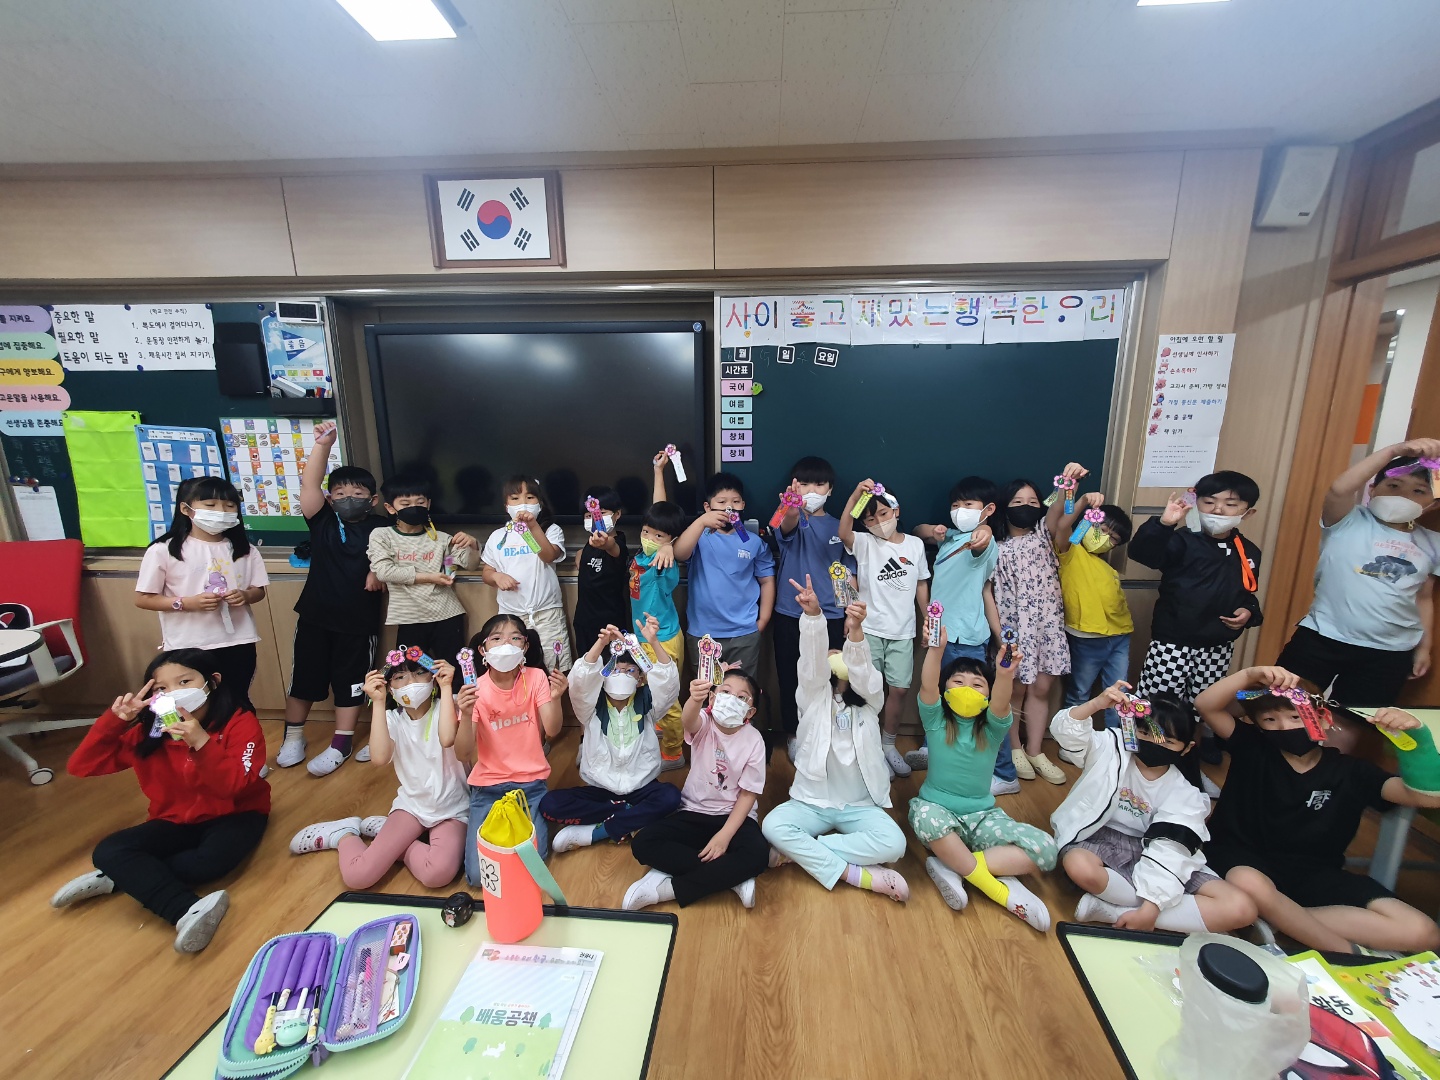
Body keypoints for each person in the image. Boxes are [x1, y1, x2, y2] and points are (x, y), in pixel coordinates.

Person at [1195, 665, 1440, 954]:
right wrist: (1250, 676)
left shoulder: (1352, 772)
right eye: (1270, 720)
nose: (1284, 727)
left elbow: (1427, 798)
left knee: (1423, 932)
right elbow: (1206, 705)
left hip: (1315, 873)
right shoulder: (1253, 748)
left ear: (1323, 718)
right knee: (1250, 884)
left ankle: (1278, 921)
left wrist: (1417, 742)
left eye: (1296, 716)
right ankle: (1345, 953)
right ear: (1258, 725)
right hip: (1242, 859)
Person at [53, 649, 269, 953]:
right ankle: (184, 908)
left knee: (205, 865)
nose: (174, 692)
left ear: (212, 682)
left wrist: (201, 743)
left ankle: (125, 875)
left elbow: (233, 787)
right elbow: (81, 766)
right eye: (162, 688)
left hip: (236, 814)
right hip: (174, 819)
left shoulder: (240, 723)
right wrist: (114, 722)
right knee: (109, 850)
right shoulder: (150, 732)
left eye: (184, 681)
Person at [1051, 685, 1256, 934]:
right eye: (1145, 733)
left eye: (1167, 741)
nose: (1153, 744)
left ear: (1187, 748)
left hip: (1154, 852)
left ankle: (1112, 911)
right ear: (1133, 730)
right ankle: (1174, 915)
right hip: (1098, 837)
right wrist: (1096, 704)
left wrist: (1152, 906)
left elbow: (1170, 849)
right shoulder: (1111, 748)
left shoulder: (1185, 793)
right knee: (1079, 866)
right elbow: (1066, 733)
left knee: (1242, 908)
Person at [761, 579, 909, 901]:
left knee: (895, 845)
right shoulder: (811, 697)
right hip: (812, 801)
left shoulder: (870, 702)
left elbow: (865, 673)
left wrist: (855, 632)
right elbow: (810, 664)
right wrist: (814, 617)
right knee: (772, 826)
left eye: (840, 653)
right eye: (830, 654)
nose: (834, 657)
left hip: (859, 804)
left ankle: (804, 852)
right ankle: (856, 875)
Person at [909, 628, 1056, 930]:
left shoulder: (992, 728)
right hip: (938, 811)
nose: (968, 688)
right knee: (926, 818)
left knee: (1045, 848)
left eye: (978, 684)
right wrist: (936, 650)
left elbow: (1001, 701)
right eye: (958, 682)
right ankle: (996, 890)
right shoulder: (936, 720)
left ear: (988, 695)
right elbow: (927, 685)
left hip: (982, 818)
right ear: (945, 688)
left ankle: (955, 865)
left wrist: (1004, 674)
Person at [1276, 439, 1440, 706]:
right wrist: (1394, 451)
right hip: (1322, 637)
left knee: (1354, 721)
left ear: (1432, 504)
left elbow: (1423, 598)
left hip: (1390, 652)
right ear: (1372, 490)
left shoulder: (1433, 543)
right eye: (1394, 486)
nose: (1402, 496)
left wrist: (1424, 648)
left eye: (1418, 491)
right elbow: (1339, 489)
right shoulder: (1347, 520)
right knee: (1283, 706)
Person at [288, 654, 467, 889]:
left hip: (452, 809)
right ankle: (343, 834)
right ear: (390, 687)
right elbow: (380, 758)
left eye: (419, 673)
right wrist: (379, 703)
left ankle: (390, 836)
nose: (411, 682)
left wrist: (446, 687)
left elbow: (447, 738)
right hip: (411, 807)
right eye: (400, 677)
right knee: (358, 876)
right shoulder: (392, 719)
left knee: (438, 874)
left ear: (433, 678)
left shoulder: (450, 704)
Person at [278, 420, 387, 776]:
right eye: (339, 494)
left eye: (356, 493)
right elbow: (310, 484)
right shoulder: (322, 521)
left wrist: (379, 571)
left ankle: (341, 742)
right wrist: (323, 445)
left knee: (351, 683)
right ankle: (293, 736)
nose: (347, 499)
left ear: (372, 500)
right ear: (329, 499)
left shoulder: (382, 528)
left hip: (359, 622)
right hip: (315, 616)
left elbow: (398, 559)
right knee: (303, 679)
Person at [625, 668, 770, 910]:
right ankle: (730, 877)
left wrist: (724, 837)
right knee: (643, 843)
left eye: (742, 697)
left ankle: (671, 889)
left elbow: (748, 794)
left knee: (758, 855)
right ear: (713, 698)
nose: (732, 699)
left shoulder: (754, 739)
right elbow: (688, 721)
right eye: (726, 692)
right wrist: (694, 698)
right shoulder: (705, 721)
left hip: (734, 817)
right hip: (693, 811)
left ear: (750, 711)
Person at [543, 615, 683, 852]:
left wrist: (653, 642)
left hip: (642, 787)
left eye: (629, 671)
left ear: (640, 679)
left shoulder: (649, 704)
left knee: (671, 797)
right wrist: (601, 644)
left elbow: (667, 684)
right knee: (550, 804)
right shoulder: (589, 707)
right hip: (601, 790)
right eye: (615, 670)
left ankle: (598, 831)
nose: (621, 675)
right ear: (603, 676)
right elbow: (581, 680)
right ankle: (631, 817)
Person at [447, 614, 566, 887]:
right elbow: (462, 753)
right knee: (477, 878)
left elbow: (552, 729)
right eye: (497, 639)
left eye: (515, 638)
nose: (506, 645)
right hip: (487, 788)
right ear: (483, 650)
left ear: (525, 646)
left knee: (534, 865)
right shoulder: (475, 689)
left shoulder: (536, 677)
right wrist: (466, 714)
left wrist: (556, 698)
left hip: (531, 786)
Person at [1130, 471, 1263, 707]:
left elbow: (1245, 593)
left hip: (1218, 646)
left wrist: (1249, 611)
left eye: (1231, 504)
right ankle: (1151, 733)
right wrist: (1164, 524)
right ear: (1196, 503)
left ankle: (1196, 733)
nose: (1218, 510)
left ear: (1248, 512)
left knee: (1205, 706)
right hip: (1172, 643)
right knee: (1158, 706)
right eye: (1209, 502)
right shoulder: (1181, 540)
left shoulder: (1248, 551)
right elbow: (1142, 554)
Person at [134, 477, 270, 703]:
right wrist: (186, 603)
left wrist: (245, 596)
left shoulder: (245, 550)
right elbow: (143, 598)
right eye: (210, 505)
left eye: (229, 505)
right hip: (188, 644)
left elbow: (259, 591)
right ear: (185, 509)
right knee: (196, 703)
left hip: (238, 641)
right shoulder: (164, 550)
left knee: (237, 699)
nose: (221, 511)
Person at [908, 477, 1003, 784]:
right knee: (934, 690)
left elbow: (982, 542)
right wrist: (933, 531)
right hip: (939, 632)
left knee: (967, 695)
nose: (960, 509)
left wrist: (985, 532)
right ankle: (932, 745)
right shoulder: (950, 537)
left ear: (988, 510)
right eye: (956, 504)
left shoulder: (983, 543)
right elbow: (918, 530)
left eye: (968, 504)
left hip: (966, 636)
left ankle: (972, 752)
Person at [838, 477, 931, 777]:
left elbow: (921, 584)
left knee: (900, 689)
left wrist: (927, 618)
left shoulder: (915, 545)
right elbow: (843, 531)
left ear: (896, 510)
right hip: (870, 630)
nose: (878, 522)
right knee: (865, 689)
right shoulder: (865, 543)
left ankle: (887, 744)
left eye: (883, 514)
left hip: (903, 631)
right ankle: (865, 745)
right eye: (870, 519)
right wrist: (855, 495)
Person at [768, 456, 856, 764]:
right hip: (789, 613)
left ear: (830, 489)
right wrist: (790, 507)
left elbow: (847, 572)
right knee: (789, 676)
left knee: (830, 678)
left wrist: (849, 613)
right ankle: (794, 734)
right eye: (803, 484)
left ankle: (825, 731)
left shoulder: (840, 527)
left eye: (819, 484)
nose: (811, 490)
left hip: (831, 615)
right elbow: (784, 526)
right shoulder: (785, 516)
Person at [989, 477, 1071, 786]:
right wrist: (999, 634)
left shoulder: (1044, 535)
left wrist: (1068, 486)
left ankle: (1035, 750)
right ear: (1005, 507)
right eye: (1018, 502)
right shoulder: (993, 547)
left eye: (1033, 502)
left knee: (1041, 689)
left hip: (1047, 628)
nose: (1026, 507)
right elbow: (987, 594)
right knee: (1014, 690)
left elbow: (1057, 510)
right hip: (1012, 630)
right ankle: (1014, 749)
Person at [1049, 466, 1134, 731]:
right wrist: (1084, 501)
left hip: (1120, 636)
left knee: (1119, 694)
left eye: (1113, 538)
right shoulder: (1071, 551)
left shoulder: (1108, 568)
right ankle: (1070, 740)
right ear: (1089, 522)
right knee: (1079, 692)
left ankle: (1116, 742)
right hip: (1086, 637)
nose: (1106, 538)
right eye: (1102, 529)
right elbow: (1063, 525)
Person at [673, 472, 776, 679]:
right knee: (706, 690)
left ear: (743, 505)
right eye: (721, 502)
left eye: (735, 502)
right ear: (707, 506)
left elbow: (767, 581)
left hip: (744, 632)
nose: (729, 507)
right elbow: (679, 553)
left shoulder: (754, 542)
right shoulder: (698, 537)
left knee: (742, 689)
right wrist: (701, 522)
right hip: (703, 633)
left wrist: (763, 620)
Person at [366, 475, 478, 663]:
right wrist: (429, 577)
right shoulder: (382, 535)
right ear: (390, 508)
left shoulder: (441, 538)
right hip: (410, 618)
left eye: (420, 502)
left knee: (452, 668)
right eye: (405, 503)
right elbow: (384, 571)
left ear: (428, 504)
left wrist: (473, 545)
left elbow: (470, 564)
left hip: (447, 615)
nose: (414, 507)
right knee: (413, 670)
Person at [482, 476, 573, 672]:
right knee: (513, 668)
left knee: (556, 668)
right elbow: (487, 572)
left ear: (540, 503)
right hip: (511, 616)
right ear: (506, 505)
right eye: (515, 498)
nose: (523, 503)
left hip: (547, 614)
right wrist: (497, 577)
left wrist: (532, 527)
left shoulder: (551, 530)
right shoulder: (498, 536)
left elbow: (548, 556)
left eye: (530, 497)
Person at [633, 461, 685, 770]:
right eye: (645, 531)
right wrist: (657, 472)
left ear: (671, 540)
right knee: (654, 694)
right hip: (646, 637)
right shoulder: (643, 556)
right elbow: (659, 512)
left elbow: (673, 538)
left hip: (661, 640)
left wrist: (672, 548)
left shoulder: (664, 562)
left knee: (669, 701)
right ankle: (661, 731)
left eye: (658, 536)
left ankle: (674, 753)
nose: (649, 538)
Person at [573, 486, 629, 654]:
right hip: (584, 622)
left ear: (617, 514)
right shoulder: (588, 545)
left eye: (601, 513)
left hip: (610, 627)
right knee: (586, 665)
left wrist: (606, 544)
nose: (594, 519)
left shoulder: (619, 544)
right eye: (588, 516)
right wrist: (580, 554)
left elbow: (612, 547)